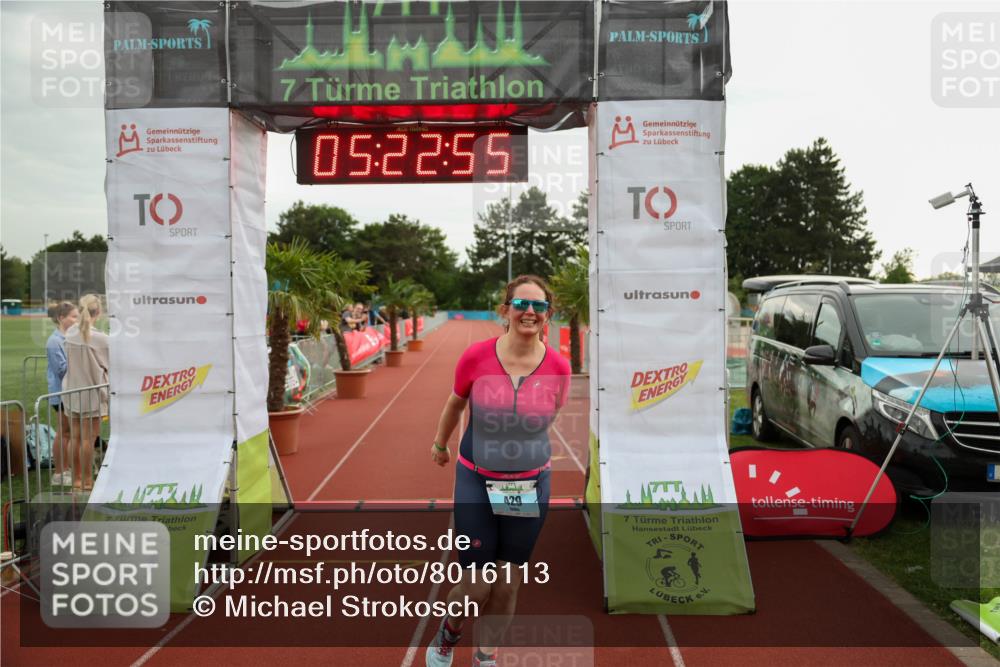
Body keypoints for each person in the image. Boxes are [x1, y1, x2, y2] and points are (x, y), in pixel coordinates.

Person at [426, 275, 570, 667]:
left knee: (507, 584)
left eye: (538, 306)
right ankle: (448, 633)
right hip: (476, 478)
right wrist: (441, 444)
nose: (529, 312)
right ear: (504, 311)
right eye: (521, 304)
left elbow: (550, 415)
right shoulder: (475, 357)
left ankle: (485, 656)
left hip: (527, 486)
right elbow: (456, 404)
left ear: (547, 316)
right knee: (476, 584)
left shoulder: (558, 366)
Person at [62, 294, 109, 491]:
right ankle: (88, 481)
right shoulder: (100, 338)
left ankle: (77, 480)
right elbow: (110, 364)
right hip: (91, 393)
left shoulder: (70, 333)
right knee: (88, 439)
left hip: (72, 391)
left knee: (76, 438)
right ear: (98, 312)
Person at [45, 302, 79, 486]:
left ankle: (67, 468)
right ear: (61, 318)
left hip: (72, 391)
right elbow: (61, 370)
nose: (76, 320)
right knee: (64, 432)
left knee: (71, 432)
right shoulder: (54, 341)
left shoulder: (70, 338)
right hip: (60, 392)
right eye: (73, 316)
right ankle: (59, 473)